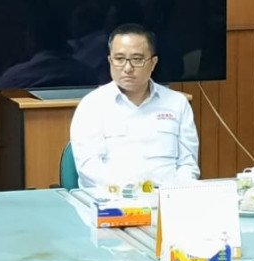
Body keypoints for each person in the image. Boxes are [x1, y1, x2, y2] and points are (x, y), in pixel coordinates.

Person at [69, 23, 200, 188]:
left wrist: (175, 193)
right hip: (113, 198)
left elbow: (188, 164)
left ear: (153, 63)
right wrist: (132, 192)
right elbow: (89, 168)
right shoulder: (92, 105)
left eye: (137, 59)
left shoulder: (177, 103)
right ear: (110, 61)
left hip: (167, 197)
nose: (128, 68)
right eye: (119, 59)